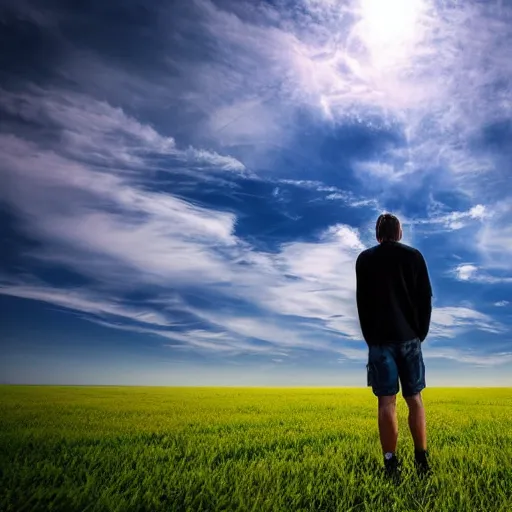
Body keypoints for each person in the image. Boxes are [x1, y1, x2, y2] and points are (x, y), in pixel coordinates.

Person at [355, 213, 433, 480]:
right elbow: (425, 299)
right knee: (415, 400)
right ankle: (421, 460)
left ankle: (391, 465)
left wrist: (370, 338)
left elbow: (361, 302)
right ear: (399, 232)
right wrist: (419, 333)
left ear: (378, 234)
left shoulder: (364, 259)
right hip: (409, 337)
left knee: (386, 403)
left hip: (379, 341)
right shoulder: (414, 256)